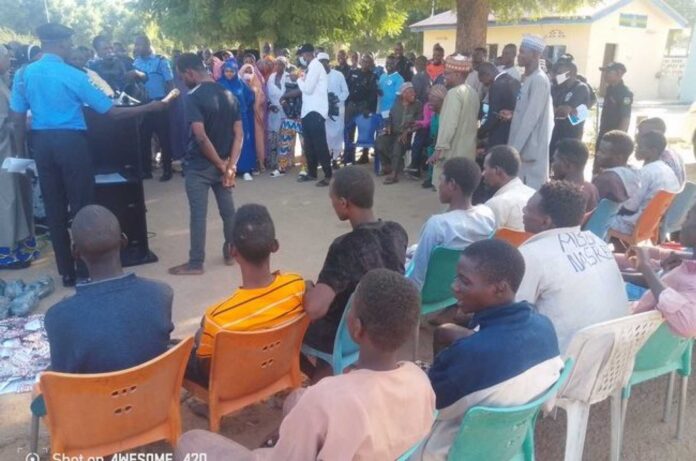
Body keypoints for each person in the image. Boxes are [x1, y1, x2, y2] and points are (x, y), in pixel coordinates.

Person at [176, 269, 435, 461]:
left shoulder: (328, 397)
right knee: (300, 397)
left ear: (356, 328)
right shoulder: (420, 381)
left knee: (191, 442)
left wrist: (271, 450)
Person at [9, 23, 173, 287]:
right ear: (61, 44)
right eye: (70, 44)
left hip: (41, 144)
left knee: (53, 207)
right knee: (82, 205)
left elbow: (17, 119)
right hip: (71, 143)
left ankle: (66, 271)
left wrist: (19, 154)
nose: (72, 48)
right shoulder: (73, 75)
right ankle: (87, 268)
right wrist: (149, 107)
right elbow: (111, 112)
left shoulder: (24, 74)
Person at [414, 239, 563, 460]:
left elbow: (432, 407)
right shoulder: (544, 326)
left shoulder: (471, 355)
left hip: (454, 449)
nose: (454, 286)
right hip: (509, 444)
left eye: (465, 281)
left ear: (499, 289)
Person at [302, 166, 408, 378]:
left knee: (291, 328)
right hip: (386, 325)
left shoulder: (345, 247)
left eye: (332, 199)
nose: (332, 204)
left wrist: (308, 289)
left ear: (343, 203)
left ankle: (321, 378)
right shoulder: (397, 232)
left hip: (348, 335)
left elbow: (314, 309)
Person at [185, 204, 306, 385]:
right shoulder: (296, 286)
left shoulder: (218, 317)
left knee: (193, 342)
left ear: (233, 251)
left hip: (235, 384)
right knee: (205, 332)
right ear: (274, 246)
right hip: (278, 368)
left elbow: (207, 369)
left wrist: (202, 336)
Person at [44, 205, 173, 373]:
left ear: (75, 252)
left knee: (41, 385)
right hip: (153, 394)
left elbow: (62, 377)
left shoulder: (59, 316)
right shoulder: (161, 294)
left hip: (95, 398)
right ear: (124, 241)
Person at [517, 181, 629, 351]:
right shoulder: (597, 243)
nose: (523, 212)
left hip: (563, 366)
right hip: (613, 359)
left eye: (527, 209)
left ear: (545, 222)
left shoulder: (530, 255)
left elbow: (510, 319)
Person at [167, 53, 241, 276]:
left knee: (198, 215)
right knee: (228, 212)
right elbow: (239, 134)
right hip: (224, 163)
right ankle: (231, 252)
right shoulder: (229, 94)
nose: (182, 80)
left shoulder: (193, 96)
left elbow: (199, 136)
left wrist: (220, 165)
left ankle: (196, 262)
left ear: (189, 72)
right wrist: (230, 166)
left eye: (182, 76)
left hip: (199, 166)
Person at [408, 158, 495, 289]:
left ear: (452, 184)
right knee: (413, 250)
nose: (438, 185)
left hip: (430, 294)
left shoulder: (438, 224)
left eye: (441, 179)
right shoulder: (487, 215)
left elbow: (417, 275)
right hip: (459, 289)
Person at [628, 204, 696, 338]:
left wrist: (646, 268)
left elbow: (688, 325)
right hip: (638, 320)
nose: (682, 223)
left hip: (633, 336)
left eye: (688, 218)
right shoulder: (685, 261)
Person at [0, 44, 37, 269]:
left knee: (20, 197)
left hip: (12, 152)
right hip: (4, 154)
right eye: (6, 57)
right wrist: (20, 123)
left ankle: (21, 244)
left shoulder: (4, 82)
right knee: (7, 200)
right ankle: (7, 250)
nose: (10, 60)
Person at [609, 131, 681, 237]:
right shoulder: (668, 171)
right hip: (651, 226)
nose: (636, 149)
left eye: (640, 147)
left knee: (597, 219)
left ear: (653, 151)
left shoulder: (646, 172)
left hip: (633, 225)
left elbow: (629, 208)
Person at [507, 35, 554, 190]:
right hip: (521, 149)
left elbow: (530, 120)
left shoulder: (539, 80)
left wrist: (514, 151)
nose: (518, 56)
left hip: (529, 151)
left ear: (535, 55)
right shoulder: (528, 78)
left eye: (522, 52)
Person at [429, 54, 479, 189]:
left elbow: (449, 126)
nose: (444, 76)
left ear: (458, 74)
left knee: (450, 194)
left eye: (447, 73)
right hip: (467, 153)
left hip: (453, 154)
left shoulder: (453, 94)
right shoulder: (473, 92)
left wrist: (438, 150)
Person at [133, 35, 176, 181]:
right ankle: (146, 170)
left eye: (139, 45)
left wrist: (167, 103)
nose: (136, 48)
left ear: (147, 45)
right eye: (135, 45)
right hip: (143, 105)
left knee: (164, 139)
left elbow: (170, 85)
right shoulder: (135, 63)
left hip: (159, 104)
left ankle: (167, 170)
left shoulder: (160, 61)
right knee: (144, 138)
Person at [296, 43, 332, 186]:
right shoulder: (310, 67)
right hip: (307, 111)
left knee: (320, 144)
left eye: (302, 55)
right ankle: (312, 173)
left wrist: (298, 79)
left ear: (308, 54)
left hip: (316, 111)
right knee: (309, 145)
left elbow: (308, 89)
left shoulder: (316, 66)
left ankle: (328, 175)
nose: (301, 57)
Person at [217, 58, 256, 180]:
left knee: (244, 142)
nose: (229, 73)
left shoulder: (241, 83)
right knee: (226, 142)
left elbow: (250, 97)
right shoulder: (219, 84)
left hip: (241, 117)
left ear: (235, 71)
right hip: (225, 118)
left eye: (232, 71)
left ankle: (245, 169)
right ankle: (227, 169)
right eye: (226, 71)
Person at [376, 82, 422, 184]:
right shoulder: (397, 104)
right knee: (380, 140)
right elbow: (390, 117)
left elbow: (419, 123)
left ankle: (394, 174)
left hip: (408, 135)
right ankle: (386, 166)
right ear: (403, 94)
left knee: (398, 143)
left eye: (413, 91)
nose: (413, 93)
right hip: (393, 132)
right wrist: (388, 126)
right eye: (410, 92)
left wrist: (407, 131)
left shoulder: (417, 105)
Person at [483, 145, 536, 231]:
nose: (483, 174)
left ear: (497, 171)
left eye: (485, 169)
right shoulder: (534, 194)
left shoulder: (495, 204)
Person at [550, 60, 591, 156]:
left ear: (570, 73)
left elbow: (564, 112)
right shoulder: (558, 88)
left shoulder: (580, 88)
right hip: (555, 134)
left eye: (560, 73)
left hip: (571, 136)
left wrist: (552, 109)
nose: (556, 76)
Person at [344, 54, 378, 165]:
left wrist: (369, 109)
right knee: (349, 131)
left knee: (365, 132)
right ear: (360, 62)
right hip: (351, 105)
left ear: (371, 64)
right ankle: (349, 157)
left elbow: (373, 95)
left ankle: (364, 155)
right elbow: (346, 88)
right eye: (364, 61)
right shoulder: (353, 72)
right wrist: (347, 103)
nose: (365, 63)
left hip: (363, 106)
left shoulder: (373, 76)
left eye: (368, 62)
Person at [477, 61, 520, 148]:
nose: (484, 85)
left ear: (487, 75)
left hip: (499, 133)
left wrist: (480, 132)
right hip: (514, 131)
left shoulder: (496, 86)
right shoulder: (514, 81)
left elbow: (493, 114)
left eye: (482, 81)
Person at [596, 62, 633, 162]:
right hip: (604, 132)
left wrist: (618, 139)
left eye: (608, 72)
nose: (605, 75)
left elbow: (625, 118)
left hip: (614, 138)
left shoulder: (625, 93)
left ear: (619, 73)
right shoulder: (610, 89)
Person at [551, 139, 599, 212]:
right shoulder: (592, 189)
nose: (552, 165)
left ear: (567, 165)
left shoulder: (561, 194)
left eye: (554, 160)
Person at [593, 130, 640, 204]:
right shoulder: (635, 173)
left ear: (619, 158)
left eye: (603, 152)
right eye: (599, 150)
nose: (597, 154)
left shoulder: (606, 179)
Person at [637, 117, 686, 187]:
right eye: (638, 132)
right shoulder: (673, 153)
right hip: (675, 195)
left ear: (658, 134)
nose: (637, 137)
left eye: (643, 134)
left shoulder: (657, 159)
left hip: (665, 196)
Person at [319, 52, 349, 166]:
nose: (322, 64)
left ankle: (335, 158)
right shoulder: (318, 77)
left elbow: (346, 92)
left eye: (324, 62)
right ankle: (327, 158)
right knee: (326, 134)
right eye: (320, 62)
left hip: (338, 109)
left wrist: (337, 99)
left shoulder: (338, 75)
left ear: (328, 62)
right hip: (323, 110)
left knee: (338, 134)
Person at [240, 63, 267, 174]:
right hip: (242, 118)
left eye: (250, 72)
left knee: (257, 140)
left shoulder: (257, 86)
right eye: (245, 72)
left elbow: (262, 100)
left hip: (255, 119)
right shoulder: (238, 86)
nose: (248, 74)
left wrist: (256, 95)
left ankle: (259, 163)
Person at [278, 67, 304, 175]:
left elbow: (299, 92)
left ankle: (305, 167)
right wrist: (284, 102)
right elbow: (282, 100)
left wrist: (284, 98)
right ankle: (282, 166)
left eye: (295, 74)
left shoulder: (303, 85)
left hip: (301, 119)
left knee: (305, 146)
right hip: (289, 119)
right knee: (284, 144)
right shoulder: (285, 86)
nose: (292, 76)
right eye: (290, 74)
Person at [266, 57, 288, 176]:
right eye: (277, 64)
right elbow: (267, 94)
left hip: (285, 111)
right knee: (273, 137)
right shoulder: (271, 77)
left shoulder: (289, 77)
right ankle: (273, 161)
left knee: (284, 138)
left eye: (281, 64)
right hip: (273, 111)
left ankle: (284, 162)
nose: (279, 66)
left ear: (285, 66)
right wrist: (270, 106)